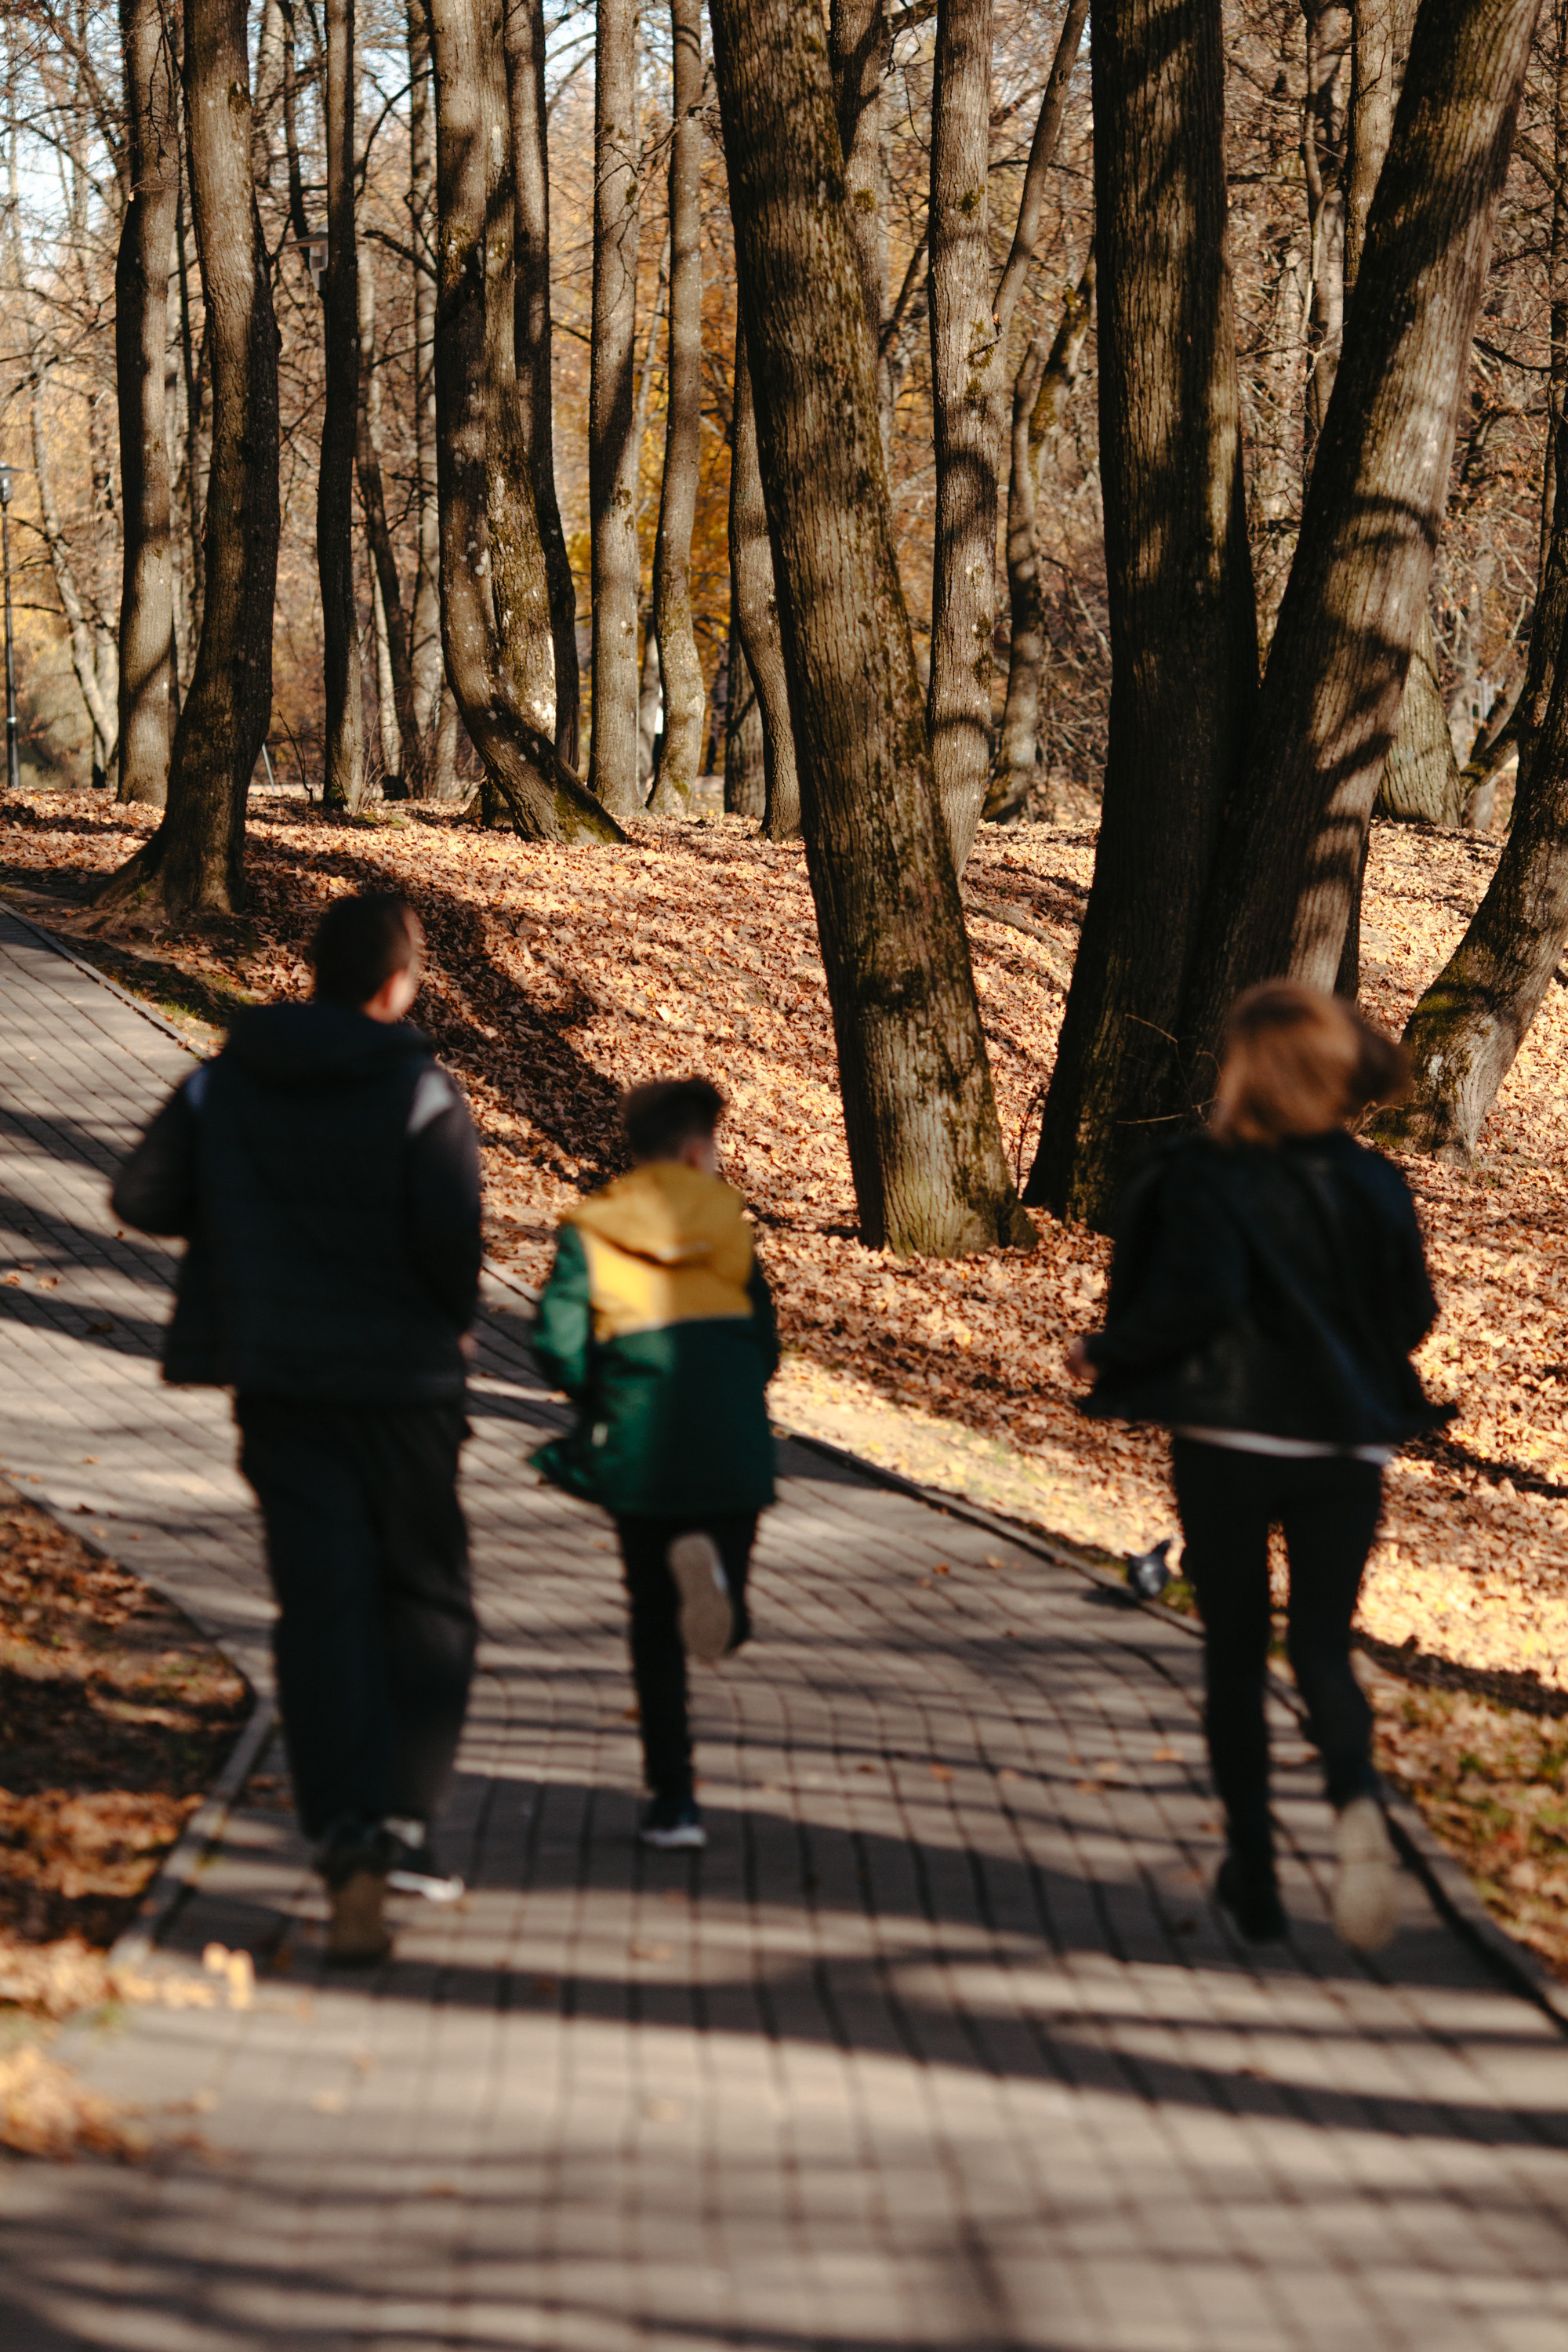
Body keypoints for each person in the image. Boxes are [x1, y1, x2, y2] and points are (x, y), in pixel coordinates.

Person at [111, 892, 483, 1965]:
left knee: (318, 1604)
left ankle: (342, 1830)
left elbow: (142, 1197)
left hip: (278, 1381)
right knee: (425, 1596)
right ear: (394, 982)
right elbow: (453, 1250)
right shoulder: (421, 1091)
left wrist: (246, 1210)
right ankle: (405, 1823)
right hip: (405, 1389)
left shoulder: (223, 1075)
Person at [1068, 982, 1447, 1955]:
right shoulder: (1375, 1183)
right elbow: (1410, 1317)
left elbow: (1195, 1301)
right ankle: (1354, 1800)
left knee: (1234, 1655)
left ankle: (1254, 1873)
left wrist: (1105, 1352)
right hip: (1344, 1444)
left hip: (1229, 1440)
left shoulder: (1208, 1173)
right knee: (1321, 1646)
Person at [531, 1077, 778, 1849]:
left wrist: (599, 1392)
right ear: (700, 1150)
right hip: (733, 1443)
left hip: (640, 1449)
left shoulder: (591, 1230)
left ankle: (674, 1802)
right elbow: (765, 1344)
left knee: (652, 1627)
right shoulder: (732, 1228)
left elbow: (558, 1345)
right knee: (715, 1593)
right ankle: (726, 1607)